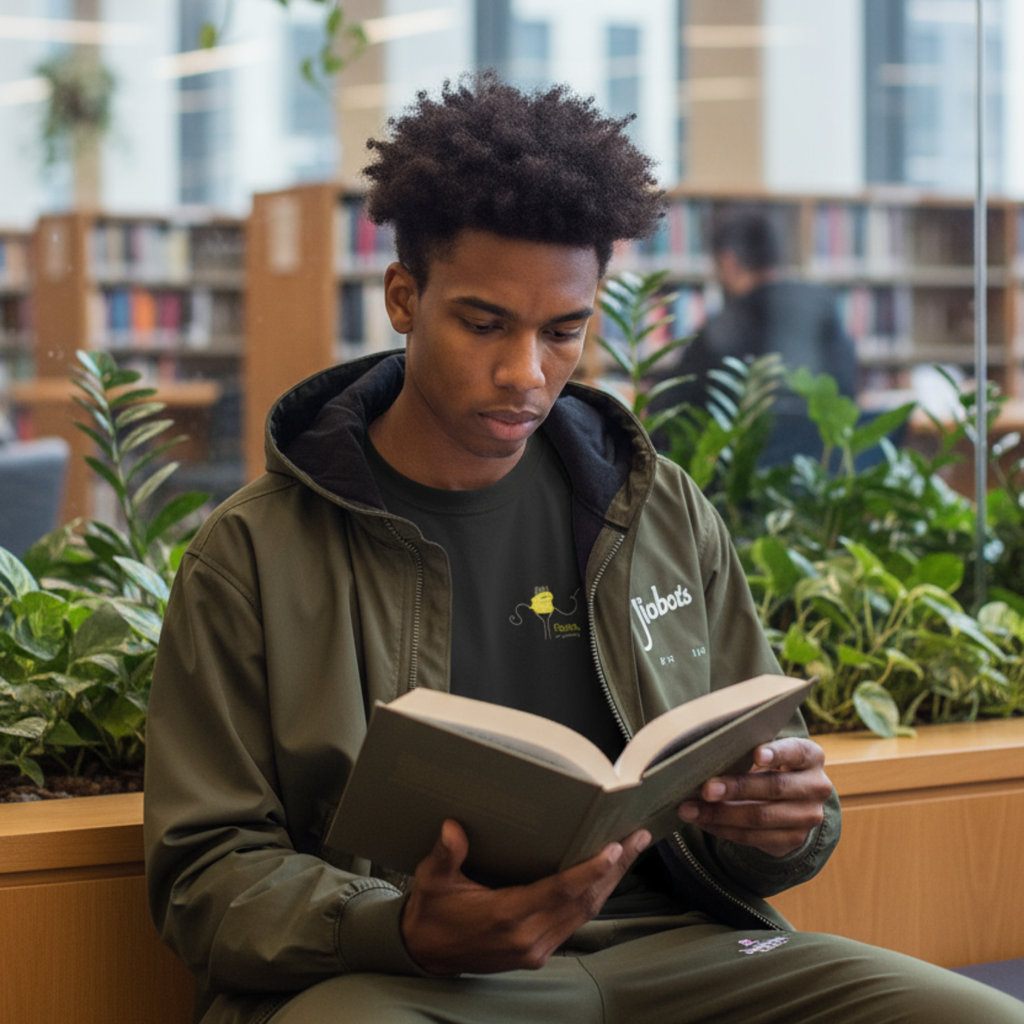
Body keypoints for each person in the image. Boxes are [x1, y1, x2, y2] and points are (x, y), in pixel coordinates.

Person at [143, 74, 1020, 1024]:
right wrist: (395, 928)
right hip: (414, 976)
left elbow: (762, 766)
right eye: (484, 324)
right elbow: (206, 876)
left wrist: (783, 823)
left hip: (683, 950)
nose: (527, 374)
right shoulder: (253, 553)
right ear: (404, 296)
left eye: (565, 331)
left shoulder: (656, 509)